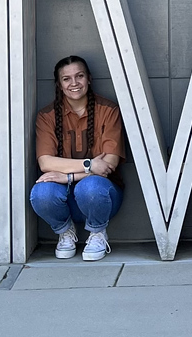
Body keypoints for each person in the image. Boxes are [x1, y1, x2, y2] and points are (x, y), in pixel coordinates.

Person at [30, 55, 124, 261]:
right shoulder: (47, 116)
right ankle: (65, 231)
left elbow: (110, 164)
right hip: (62, 199)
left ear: (89, 78)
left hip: (102, 197)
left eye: (79, 76)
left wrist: (68, 177)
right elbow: (46, 162)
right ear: (59, 84)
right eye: (66, 78)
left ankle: (98, 233)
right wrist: (89, 165)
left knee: (90, 187)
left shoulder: (108, 110)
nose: (74, 83)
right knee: (41, 193)